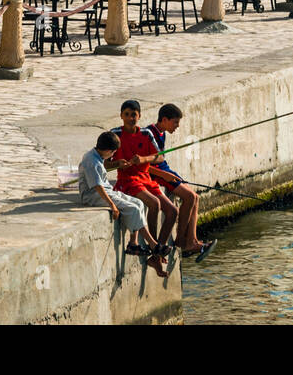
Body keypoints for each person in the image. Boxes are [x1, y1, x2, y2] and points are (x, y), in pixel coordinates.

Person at [77, 131, 167, 277]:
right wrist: (112, 205)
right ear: (108, 150)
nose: (112, 156)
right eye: (112, 153)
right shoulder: (90, 161)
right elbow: (98, 187)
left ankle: (134, 243)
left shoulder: (98, 156)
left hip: (106, 190)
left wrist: (118, 163)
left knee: (138, 203)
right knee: (131, 208)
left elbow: (103, 178)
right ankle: (153, 244)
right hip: (92, 195)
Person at [111, 99, 176, 275]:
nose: (131, 118)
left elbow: (159, 157)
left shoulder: (146, 134)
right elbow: (105, 163)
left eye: (134, 115)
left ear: (139, 116)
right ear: (121, 116)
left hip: (146, 178)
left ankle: (156, 252)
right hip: (127, 181)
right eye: (127, 115)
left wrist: (144, 159)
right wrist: (118, 163)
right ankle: (155, 248)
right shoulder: (115, 134)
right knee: (154, 203)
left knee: (172, 211)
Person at [147, 104, 216, 262]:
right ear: (164, 120)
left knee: (196, 197)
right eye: (175, 122)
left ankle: (192, 239)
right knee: (190, 197)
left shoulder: (161, 133)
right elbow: (144, 165)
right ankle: (183, 242)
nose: (177, 126)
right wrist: (165, 175)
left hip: (166, 171)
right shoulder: (149, 134)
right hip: (159, 175)